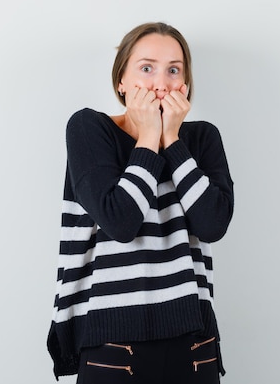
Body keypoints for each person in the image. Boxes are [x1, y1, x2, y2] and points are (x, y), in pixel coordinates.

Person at [47, 22, 234, 384]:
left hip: (194, 343)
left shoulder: (203, 138)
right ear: (121, 81)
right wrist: (149, 137)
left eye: (173, 70)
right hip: (113, 345)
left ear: (186, 82)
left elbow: (212, 224)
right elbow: (120, 221)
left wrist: (174, 142)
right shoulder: (89, 128)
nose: (160, 83)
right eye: (146, 68)